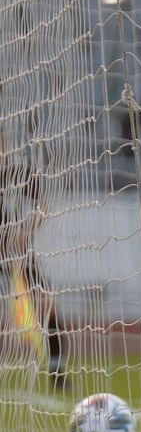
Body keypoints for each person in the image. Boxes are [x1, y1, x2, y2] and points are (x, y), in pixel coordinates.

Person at [0, 136, 65, 387]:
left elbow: (42, 205)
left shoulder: (20, 173)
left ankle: (57, 371)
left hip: (18, 252)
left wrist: (28, 229)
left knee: (48, 304)